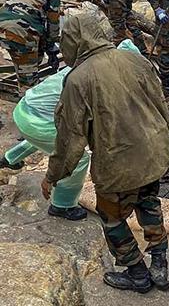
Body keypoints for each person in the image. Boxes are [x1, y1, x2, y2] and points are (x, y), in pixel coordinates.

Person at [43, 14, 169, 293]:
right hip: (153, 153)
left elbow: (70, 139)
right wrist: (166, 144)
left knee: (112, 217)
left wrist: (53, 176)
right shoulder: (135, 60)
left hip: (118, 162)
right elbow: (162, 106)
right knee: (149, 202)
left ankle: (137, 273)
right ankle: (160, 266)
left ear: (73, 41)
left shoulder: (78, 79)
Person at [0, 39, 142, 220]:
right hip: (38, 122)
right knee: (77, 159)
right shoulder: (102, 80)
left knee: (51, 135)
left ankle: (11, 158)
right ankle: (62, 206)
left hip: (23, 110)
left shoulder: (89, 63)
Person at [0, 0, 70, 94]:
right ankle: (27, 107)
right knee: (29, 83)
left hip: (3, 25)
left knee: (28, 61)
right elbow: (53, 22)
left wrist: (47, 49)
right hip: (21, 32)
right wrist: (52, 48)